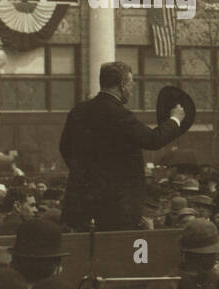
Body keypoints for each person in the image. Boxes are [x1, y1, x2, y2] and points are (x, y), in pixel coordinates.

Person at [59, 62, 187, 231]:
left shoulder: (78, 111)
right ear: (122, 86)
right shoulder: (119, 114)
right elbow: (152, 140)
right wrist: (175, 119)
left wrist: (86, 173)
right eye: (131, 84)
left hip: (79, 203)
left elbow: (64, 147)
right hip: (115, 207)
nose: (132, 89)